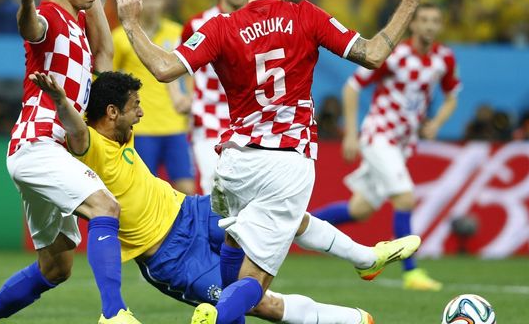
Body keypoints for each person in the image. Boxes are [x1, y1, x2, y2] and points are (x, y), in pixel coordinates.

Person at [116, 0, 428, 322]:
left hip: (235, 163)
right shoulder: (306, 16)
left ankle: (363, 259)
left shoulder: (221, 26)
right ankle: (216, 317)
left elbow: (164, 68)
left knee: (234, 251)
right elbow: (373, 54)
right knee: (254, 284)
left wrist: (131, 24)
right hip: (286, 161)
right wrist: (409, 2)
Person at [31, 70, 421, 324]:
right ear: (112, 112)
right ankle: (353, 320)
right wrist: (61, 99)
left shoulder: (122, 132)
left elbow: (102, 64)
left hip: (193, 211)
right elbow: (76, 129)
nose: (143, 113)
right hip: (171, 258)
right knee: (257, 302)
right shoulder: (89, 145)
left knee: (280, 212)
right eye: (136, 107)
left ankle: (367, 257)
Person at [0, 0, 140, 324]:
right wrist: (27, 2)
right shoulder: (51, 16)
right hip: (39, 146)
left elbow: (105, 57)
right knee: (106, 207)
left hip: (48, 152)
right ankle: (114, 314)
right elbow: (32, 29)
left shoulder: (78, 27)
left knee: (56, 267)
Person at [313, 3, 459, 291]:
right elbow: (352, 87)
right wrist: (351, 134)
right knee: (405, 198)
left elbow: (452, 95)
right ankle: (411, 273)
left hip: (402, 142)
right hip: (379, 135)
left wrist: (436, 123)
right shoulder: (396, 56)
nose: (429, 25)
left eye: (435, 20)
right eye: (424, 20)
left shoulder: (444, 58)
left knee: (360, 209)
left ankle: (294, 227)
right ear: (413, 25)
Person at [112, 0, 195, 195]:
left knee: (187, 189)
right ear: (136, 2)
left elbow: (191, 72)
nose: (151, 3)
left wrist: (191, 101)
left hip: (175, 125)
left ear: (164, 1)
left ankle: (185, 231)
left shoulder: (178, 32)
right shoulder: (121, 37)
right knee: (143, 192)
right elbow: (107, 78)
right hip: (140, 128)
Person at [182, 0, 247, 194]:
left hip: (247, 119)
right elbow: (182, 67)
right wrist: (182, 96)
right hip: (208, 116)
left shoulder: (259, 22)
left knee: (245, 193)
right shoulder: (197, 25)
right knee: (215, 188)